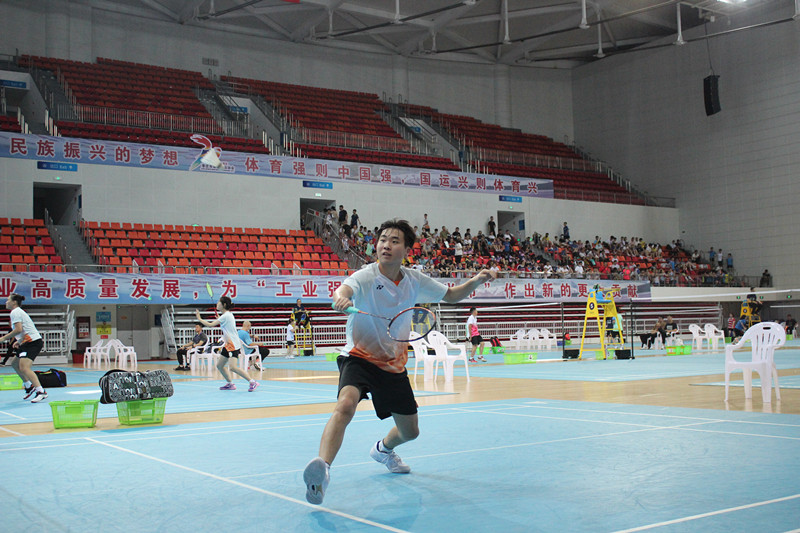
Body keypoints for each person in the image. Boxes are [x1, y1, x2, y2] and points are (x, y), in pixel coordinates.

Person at [303, 218, 497, 505]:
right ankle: (322, 473)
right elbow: (344, 290)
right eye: (382, 240)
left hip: (393, 365)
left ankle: (383, 450)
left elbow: (451, 296)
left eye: (394, 241)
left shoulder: (414, 280)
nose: (386, 245)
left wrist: (477, 281)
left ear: (406, 250)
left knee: (410, 432)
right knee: (345, 404)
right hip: (358, 357)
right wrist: (341, 299)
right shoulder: (366, 276)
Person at [195, 296, 259, 392]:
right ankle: (230, 384)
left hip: (233, 344)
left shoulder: (226, 316)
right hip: (228, 344)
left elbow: (210, 325)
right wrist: (219, 319)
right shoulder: (226, 316)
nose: (217, 304)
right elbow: (225, 323)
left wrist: (199, 318)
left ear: (224, 305)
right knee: (220, 365)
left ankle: (252, 382)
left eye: (219, 302)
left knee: (232, 367)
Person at [0, 293, 47, 403]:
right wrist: (19, 341)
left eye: (8, 300)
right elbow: (25, 329)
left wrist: (3, 338)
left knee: (24, 367)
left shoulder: (15, 312)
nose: (6, 302)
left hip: (32, 342)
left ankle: (41, 392)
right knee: (14, 364)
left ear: (14, 302)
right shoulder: (17, 312)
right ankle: (28, 386)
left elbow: (18, 329)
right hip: (26, 342)